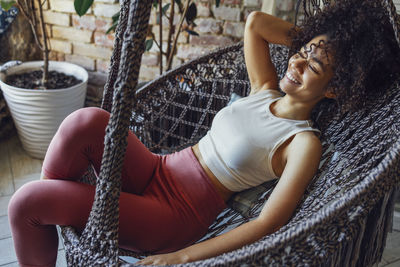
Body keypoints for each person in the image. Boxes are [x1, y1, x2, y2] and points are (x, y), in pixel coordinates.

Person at [7, 0, 400, 266]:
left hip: (175, 215)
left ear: (335, 89)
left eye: (313, 69)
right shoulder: (263, 89)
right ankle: (58, 220)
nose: (296, 65)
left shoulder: (302, 142)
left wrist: (179, 258)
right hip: (160, 169)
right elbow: (256, 24)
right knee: (87, 121)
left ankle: (51, 214)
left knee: (27, 203)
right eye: (300, 53)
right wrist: (318, 45)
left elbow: (266, 225)